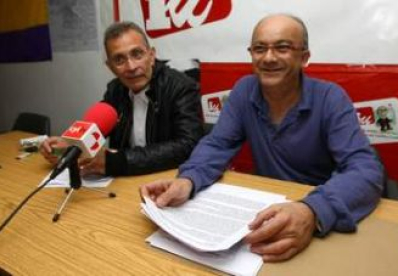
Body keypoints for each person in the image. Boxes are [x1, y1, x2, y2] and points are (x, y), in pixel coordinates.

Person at [140, 14, 384, 262]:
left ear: (304, 57)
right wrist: (188, 180)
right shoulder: (244, 90)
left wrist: (312, 211)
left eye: (283, 47)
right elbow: (217, 144)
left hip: (317, 220)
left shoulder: (330, 98)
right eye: (260, 49)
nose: (268, 58)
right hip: (264, 214)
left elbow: (366, 170)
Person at [40, 21, 203, 176]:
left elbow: (188, 146)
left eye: (137, 54)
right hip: (123, 182)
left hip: (166, 177)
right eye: (119, 60)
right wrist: (70, 146)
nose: (131, 67)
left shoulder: (181, 87)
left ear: (151, 56)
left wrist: (118, 161)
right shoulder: (115, 90)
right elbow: (95, 130)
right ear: (110, 67)